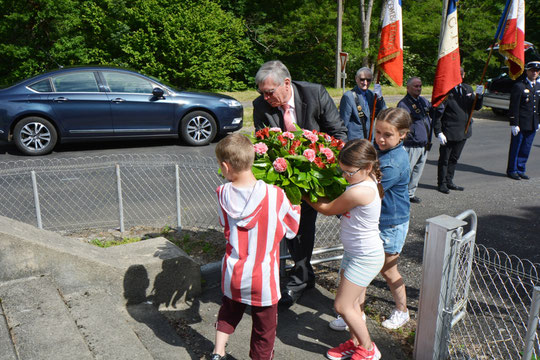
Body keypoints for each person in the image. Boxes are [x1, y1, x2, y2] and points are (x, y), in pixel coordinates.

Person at [253, 60, 348, 307]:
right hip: (284, 178)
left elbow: (338, 134)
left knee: (302, 229)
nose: (266, 98)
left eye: (269, 92)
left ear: (286, 83)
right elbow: (264, 144)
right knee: (289, 230)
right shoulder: (260, 106)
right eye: (261, 92)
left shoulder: (314, 93)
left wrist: (324, 169)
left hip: (315, 173)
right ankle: (302, 276)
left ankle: (300, 278)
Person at [211, 133, 301, 360]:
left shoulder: (222, 194)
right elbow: (292, 228)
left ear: (225, 166)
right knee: (264, 328)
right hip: (264, 278)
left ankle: (218, 352)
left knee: (229, 311)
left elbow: (225, 223)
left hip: (233, 272)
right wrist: (297, 204)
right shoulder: (275, 195)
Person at [329, 108, 411, 333]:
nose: (380, 139)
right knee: (360, 271)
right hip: (374, 222)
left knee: (388, 270)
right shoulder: (380, 152)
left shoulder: (393, 164)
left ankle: (402, 311)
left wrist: (339, 203)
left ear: (402, 134)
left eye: (388, 135)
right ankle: (356, 314)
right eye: (377, 133)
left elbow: (368, 192)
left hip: (390, 222)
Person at [305, 139, 384, 360]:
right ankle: (355, 342)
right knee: (355, 303)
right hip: (355, 252)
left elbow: (328, 209)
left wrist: (303, 194)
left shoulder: (360, 191)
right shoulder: (365, 178)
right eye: (342, 170)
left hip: (366, 256)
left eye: (349, 172)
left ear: (368, 167)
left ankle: (368, 349)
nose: (344, 176)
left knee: (342, 305)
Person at [433, 67, 484, 194]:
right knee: (444, 159)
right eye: (457, 74)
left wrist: (480, 96)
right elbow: (437, 114)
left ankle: (449, 181)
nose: (460, 76)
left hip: (464, 131)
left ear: (464, 74)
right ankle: (442, 183)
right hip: (449, 132)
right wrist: (438, 132)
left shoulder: (467, 89)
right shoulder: (445, 92)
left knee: (454, 159)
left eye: (461, 74)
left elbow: (476, 107)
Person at [397, 77, 433, 204]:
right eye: (415, 86)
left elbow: (434, 112)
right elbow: (401, 124)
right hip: (411, 144)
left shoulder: (423, 101)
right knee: (407, 172)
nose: (418, 88)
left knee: (417, 171)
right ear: (408, 88)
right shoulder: (404, 104)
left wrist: (441, 102)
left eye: (420, 86)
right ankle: (401, 195)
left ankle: (410, 193)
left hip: (424, 144)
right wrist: (410, 137)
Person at [506, 60, 540, 180]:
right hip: (520, 123)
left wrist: (538, 121)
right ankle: (512, 170)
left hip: (532, 123)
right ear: (527, 71)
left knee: (526, 147)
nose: (534, 73)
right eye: (532, 71)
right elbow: (514, 106)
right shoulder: (519, 86)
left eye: (536, 71)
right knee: (516, 147)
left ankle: (520, 169)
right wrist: (514, 123)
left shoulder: (538, 86)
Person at [340, 67, 387, 141]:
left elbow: (383, 114)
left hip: (369, 139)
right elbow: (343, 123)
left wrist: (380, 98)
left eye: (368, 80)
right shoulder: (348, 96)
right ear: (356, 79)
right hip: (354, 141)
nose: (365, 83)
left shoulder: (372, 95)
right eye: (362, 79)